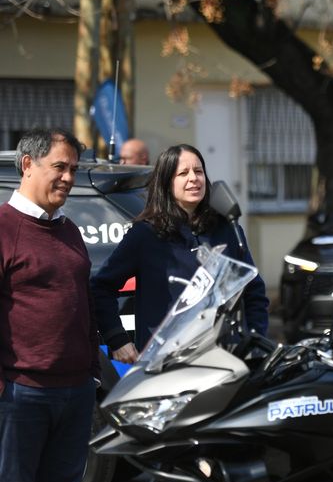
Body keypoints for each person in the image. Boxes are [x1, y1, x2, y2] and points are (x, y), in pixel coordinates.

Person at [92, 144, 269, 363]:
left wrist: (254, 339)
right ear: (167, 183)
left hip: (223, 359)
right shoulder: (145, 234)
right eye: (183, 173)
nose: (194, 178)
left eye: (198, 171)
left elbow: (253, 290)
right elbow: (100, 288)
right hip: (165, 363)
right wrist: (117, 339)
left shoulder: (227, 229)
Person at [0, 129, 100, 482]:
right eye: (60, 167)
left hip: (76, 393)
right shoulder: (3, 228)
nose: (69, 178)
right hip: (20, 395)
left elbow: (85, 301)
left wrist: (91, 375)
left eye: (73, 169)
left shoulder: (69, 230)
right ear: (28, 164)